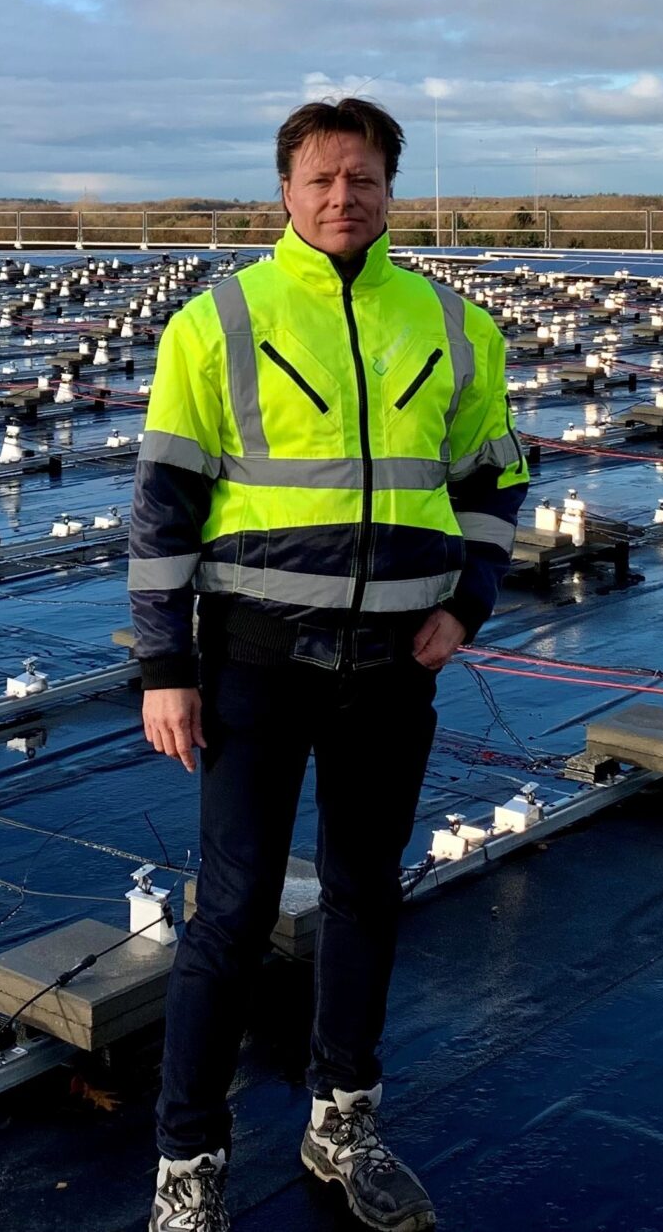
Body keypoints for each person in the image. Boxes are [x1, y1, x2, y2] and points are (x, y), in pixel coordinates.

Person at [132, 97, 530, 1232]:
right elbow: (164, 503)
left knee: (366, 893)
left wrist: (470, 600)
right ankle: (186, 1164)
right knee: (233, 910)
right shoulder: (217, 322)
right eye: (319, 180)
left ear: (389, 189)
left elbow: (495, 476)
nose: (340, 198)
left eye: (360, 178)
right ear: (285, 194)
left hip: (394, 663)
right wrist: (166, 664)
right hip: (256, 658)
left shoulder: (453, 325)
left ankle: (341, 1120)